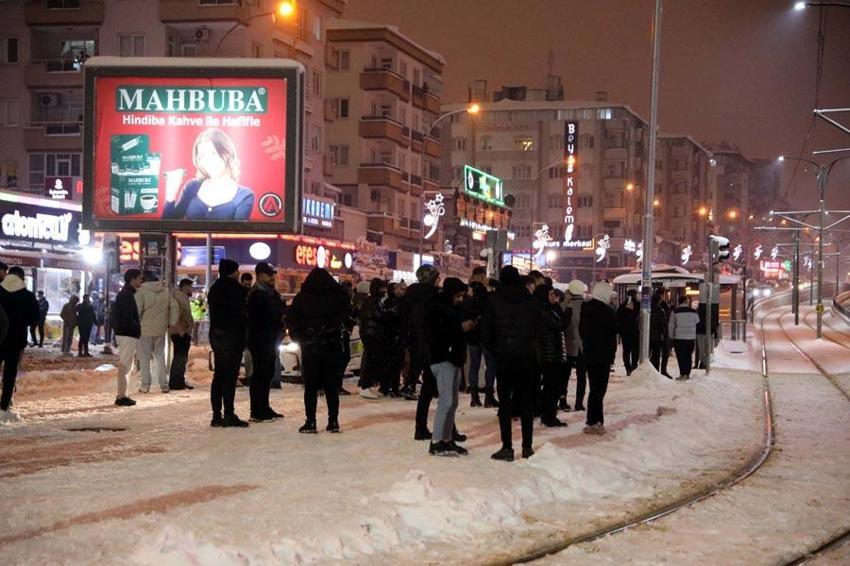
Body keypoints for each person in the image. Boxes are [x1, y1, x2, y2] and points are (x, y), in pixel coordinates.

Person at [481, 265, 541, 462]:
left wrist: (496, 350)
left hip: (504, 358)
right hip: (526, 357)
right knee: (526, 403)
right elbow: (536, 328)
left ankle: (507, 447)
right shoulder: (530, 301)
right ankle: (527, 446)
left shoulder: (493, 301)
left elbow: (487, 332)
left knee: (505, 404)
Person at [286, 268, 350, 434]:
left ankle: (311, 421)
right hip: (332, 346)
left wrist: (300, 337)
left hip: (310, 347)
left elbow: (292, 320)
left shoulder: (303, 298)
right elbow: (347, 318)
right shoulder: (338, 297)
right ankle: (333, 421)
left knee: (311, 386)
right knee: (331, 385)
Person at [162, 128, 255, 221]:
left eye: (213, 153)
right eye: (202, 156)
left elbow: (237, 233)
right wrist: (171, 193)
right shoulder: (192, 187)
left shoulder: (244, 195)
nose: (208, 161)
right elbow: (166, 228)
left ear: (227, 153)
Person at [425, 277, 470, 456]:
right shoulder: (437, 309)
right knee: (447, 401)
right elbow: (440, 335)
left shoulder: (451, 308)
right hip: (444, 359)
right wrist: (460, 328)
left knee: (453, 402)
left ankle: (446, 439)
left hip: (453, 359)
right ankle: (436, 441)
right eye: (458, 296)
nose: (460, 299)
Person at [207, 259, 249, 428]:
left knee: (219, 375)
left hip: (216, 334)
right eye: (237, 271)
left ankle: (216, 415)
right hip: (232, 335)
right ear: (233, 272)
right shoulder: (238, 290)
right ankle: (229, 414)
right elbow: (244, 313)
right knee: (230, 377)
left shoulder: (214, 288)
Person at [404, 265, 441, 439]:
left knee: (428, 389)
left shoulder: (411, 298)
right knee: (444, 390)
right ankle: (446, 428)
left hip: (418, 345)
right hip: (434, 345)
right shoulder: (434, 298)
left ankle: (421, 426)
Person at [245, 262, 286, 423]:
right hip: (260, 339)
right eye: (269, 275)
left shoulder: (270, 293)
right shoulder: (256, 294)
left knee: (267, 372)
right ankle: (257, 410)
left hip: (269, 338)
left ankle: (264, 406)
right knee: (260, 374)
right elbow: (264, 316)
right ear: (260, 275)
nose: (272, 277)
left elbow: (279, 310)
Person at [579, 281, 619, 435]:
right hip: (603, 355)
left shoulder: (585, 308)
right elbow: (617, 327)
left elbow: (582, 331)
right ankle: (594, 421)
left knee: (594, 388)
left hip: (589, 354)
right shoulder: (607, 311)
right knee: (599, 389)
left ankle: (594, 420)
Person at [0, 267, 39, 422]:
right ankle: (4, 407)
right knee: (10, 374)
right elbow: (33, 320)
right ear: (22, 278)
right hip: (16, 340)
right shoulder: (28, 296)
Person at [135, 272, 178, 394]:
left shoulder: (141, 292)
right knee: (160, 357)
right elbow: (174, 307)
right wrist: (171, 322)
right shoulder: (165, 292)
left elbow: (137, 310)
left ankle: (145, 386)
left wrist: (136, 324)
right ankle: (164, 385)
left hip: (144, 330)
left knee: (144, 359)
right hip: (161, 329)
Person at [536, 283, 570, 427]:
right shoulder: (542, 310)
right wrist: (568, 314)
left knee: (554, 386)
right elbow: (558, 325)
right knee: (551, 386)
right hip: (547, 354)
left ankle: (548, 414)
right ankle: (548, 415)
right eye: (551, 294)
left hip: (554, 353)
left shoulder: (552, 308)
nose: (553, 296)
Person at [111, 269, 142, 407]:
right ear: (132, 279)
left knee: (127, 364)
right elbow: (127, 316)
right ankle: (121, 396)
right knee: (125, 364)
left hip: (126, 332)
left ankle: (123, 394)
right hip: (127, 333)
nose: (141, 281)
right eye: (139, 278)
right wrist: (135, 327)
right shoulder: (126, 295)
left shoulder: (126, 293)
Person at [358, 278, 389, 399]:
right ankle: (364, 386)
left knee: (372, 360)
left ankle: (367, 385)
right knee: (369, 360)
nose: (384, 290)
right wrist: (387, 313)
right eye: (382, 288)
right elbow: (378, 315)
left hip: (373, 333)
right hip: (371, 334)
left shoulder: (375, 300)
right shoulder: (372, 301)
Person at [464, 267, 490, 408]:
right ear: (480, 276)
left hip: (472, 332)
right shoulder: (483, 291)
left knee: (474, 364)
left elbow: (466, 309)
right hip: (484, 333)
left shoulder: (467, 290)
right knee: (489, 365)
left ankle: (474, 396)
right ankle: (488, 396)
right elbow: (486, 308)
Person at [562, 280, 586, 412]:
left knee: (564, 375)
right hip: (583, 346)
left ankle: (563, 399)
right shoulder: (587, 306)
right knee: (581, 375)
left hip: (568, 345)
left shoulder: (565, 306)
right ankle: (579, 402)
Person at [168, 278, 195, 391]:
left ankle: (178, 380)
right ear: (184, 287)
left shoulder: (181, 297)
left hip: (180, 331)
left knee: (181, 357)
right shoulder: (180, 298)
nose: (191, 289)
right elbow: (176, 316)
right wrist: (182, 331)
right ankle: (176, 382)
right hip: (180, 332)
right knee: (180, 357)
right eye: (190, 287)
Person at [383, 282, 406, 397]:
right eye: (397, 289)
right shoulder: (391, 303)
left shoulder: (398, 302)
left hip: (396, 336)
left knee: (395, 364)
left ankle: (390, 386)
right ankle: (391, 387)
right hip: (393, 336)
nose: (400, 291)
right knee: (393, 364)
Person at [669, 296, 699, 380]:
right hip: (690, 338)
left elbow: (671, 325)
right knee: (688, 356)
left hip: (679, 338)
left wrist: (672, 336)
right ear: (686, 301)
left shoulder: (675, 312)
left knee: (680, 356)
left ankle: (682, 373)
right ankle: (687, 373)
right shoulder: (693, 312)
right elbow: (697, 321)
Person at [617, 289, 640, 375]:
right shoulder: (638, 305)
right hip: (635, 332)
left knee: (626, 351)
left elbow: (618, 318)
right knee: (635, 350)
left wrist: (620, 331)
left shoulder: (622, 305)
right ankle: (634, 366)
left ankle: (628, 368)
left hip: (625, 333)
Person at [239, 272, 255, 387]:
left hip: (248, 327)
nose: (247, 287)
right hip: (242, 327)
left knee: (248, 352)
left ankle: (249, 375)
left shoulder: (252, 293)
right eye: (246, 284)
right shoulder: (240, 293)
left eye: (249, 285)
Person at [649, 290, 670, 372]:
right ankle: (656, 370)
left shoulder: (647, 308)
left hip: (649, 335)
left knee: (648, 354)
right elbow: (663, 324)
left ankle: (649, 369)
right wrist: (663, 333)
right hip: (657, 336)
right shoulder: (660, 310)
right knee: (656, 354)